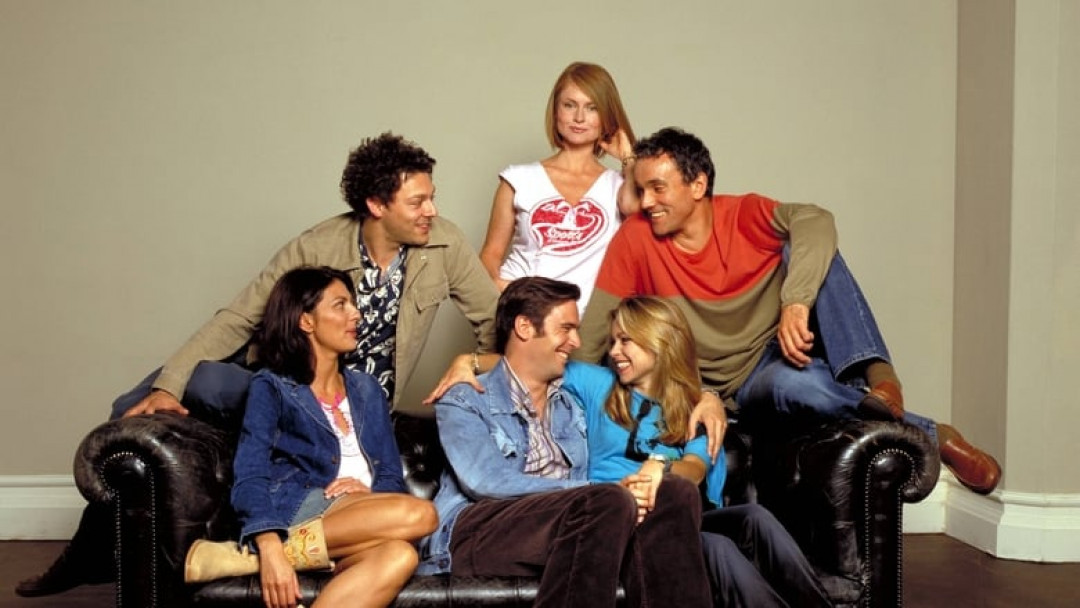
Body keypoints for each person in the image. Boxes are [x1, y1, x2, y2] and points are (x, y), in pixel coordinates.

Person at [16, 132, 498, 597]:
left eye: (432, 198)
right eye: (418, 201)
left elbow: (496, 322)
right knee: (145, 405)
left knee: (397, 550)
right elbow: (239, 319)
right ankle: (92, 543)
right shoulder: (319, 246)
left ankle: (229, 555)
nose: (432, 211)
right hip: (289, 382)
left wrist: (471, 362)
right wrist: (169, 385)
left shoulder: (444, 245)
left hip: (353, 401)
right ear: (376, 204)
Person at [576, 127, 1001, 496]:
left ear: (698, 185)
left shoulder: (742, 215)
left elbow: (817, 220)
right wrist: (557, 397)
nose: (645, 202)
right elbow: (595, 328)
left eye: (657, 188)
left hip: (764, 367)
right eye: (641, 190)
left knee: (812, 255)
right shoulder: (635, 238)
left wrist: (795, 301)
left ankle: (881, 378)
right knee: (809, 375)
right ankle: (932, 434)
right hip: (698, 385)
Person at [419, 277, 712, 608]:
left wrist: (710, 397)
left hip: (572, 526)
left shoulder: (573, 404)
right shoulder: (465, 398)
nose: (577, 342)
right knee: (609, 501)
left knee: (675, 491)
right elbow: (485, 481)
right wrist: (604, 491)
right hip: (479, 530)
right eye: (567, 329)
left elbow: (663, 388)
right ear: (525, 327)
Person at [184, 266, 438, 608]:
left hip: (362, 517)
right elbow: (250, 473)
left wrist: (370, 494)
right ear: (306, 321)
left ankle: (248, 558)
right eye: (340, 305)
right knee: (422, 515)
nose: (355, 314)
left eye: (353, 304)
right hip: (300, 507)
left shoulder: (367, 390)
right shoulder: (272, 386)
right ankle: (268, 550)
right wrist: (269, 544)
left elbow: (390, 474)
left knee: (401, 555)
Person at [563, 296, 831, 607]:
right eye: (612, 341)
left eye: (625, 340)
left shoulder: (694, 410)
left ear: (659, 340)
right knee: (718, 548)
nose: (613, 352)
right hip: (625, 516)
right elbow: (531, 362)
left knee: (755, 516)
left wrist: (661, 466)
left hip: (682, 514)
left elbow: (695, 469)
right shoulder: (598, 384)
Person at [479, 61, 638, 314]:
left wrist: (629, 157)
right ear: (556, 111)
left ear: (606, 116)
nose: (579, 118)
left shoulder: (621, 186)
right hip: (521, 318)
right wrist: (506, 294)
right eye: (569, 105)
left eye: (592, 108)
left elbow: (636, 213)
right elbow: (490, 255)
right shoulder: (518, 179)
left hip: (585, 324)